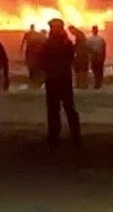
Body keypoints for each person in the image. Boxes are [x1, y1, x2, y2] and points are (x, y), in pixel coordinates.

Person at [39, 19, 81, 147]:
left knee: (63, 108)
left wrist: (49, 70)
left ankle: (62, 135)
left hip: (58, 79)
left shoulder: (58, 44)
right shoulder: (63, 43)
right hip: (58, 79)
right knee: (58, 109)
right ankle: (62, 134)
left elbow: (43, 60)